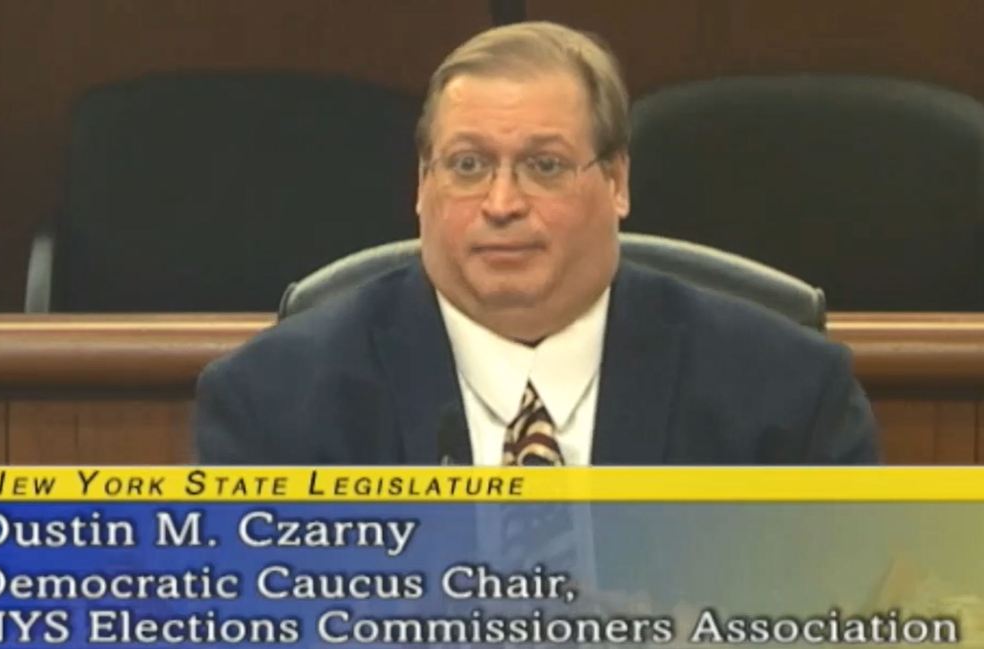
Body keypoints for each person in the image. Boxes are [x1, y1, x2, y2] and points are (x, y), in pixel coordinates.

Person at [194, 21, 877, 465]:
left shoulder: (788, 398)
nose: (502, 204)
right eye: (468, 166)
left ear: (616, 182)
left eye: (544, 166)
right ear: (422, 185)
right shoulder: (273, 405)